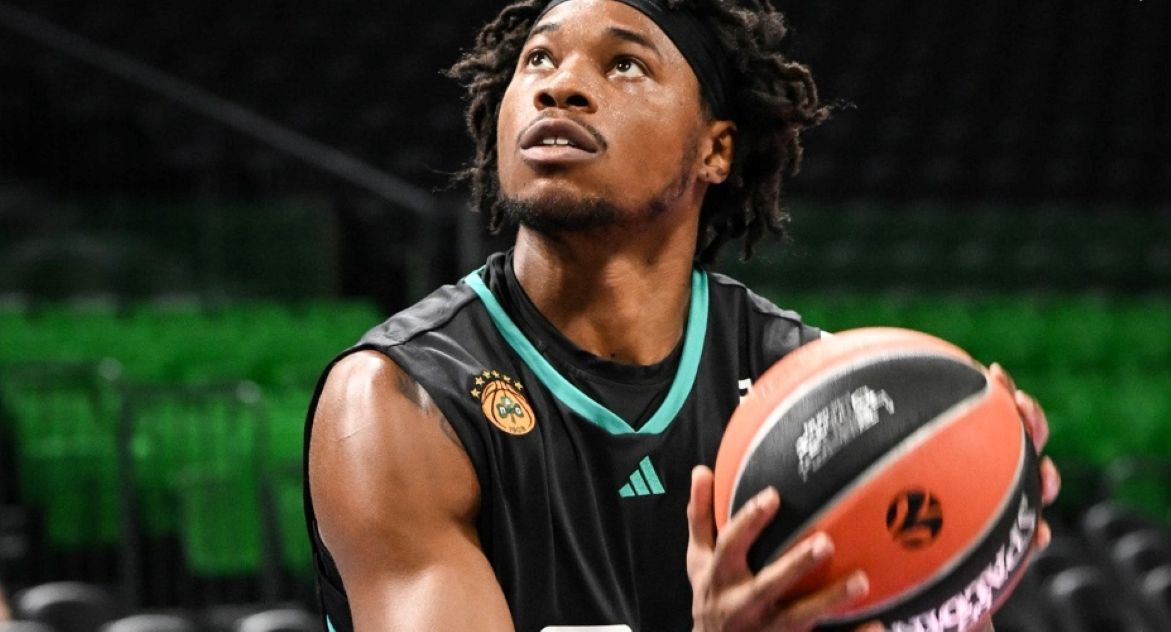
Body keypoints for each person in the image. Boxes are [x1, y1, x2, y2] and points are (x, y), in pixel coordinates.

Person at [304, 0, 1061, 630]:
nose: (560, 87)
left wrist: (958, 562)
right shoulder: (401, 401)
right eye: (538, 59)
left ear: (714, 150)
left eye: (623, 64)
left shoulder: (803, 390)